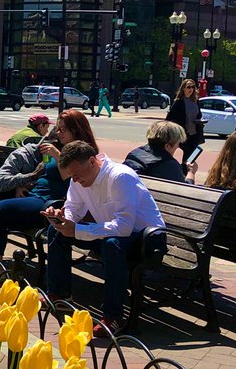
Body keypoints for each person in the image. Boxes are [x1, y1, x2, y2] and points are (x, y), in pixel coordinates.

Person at [43, 140, 165, 337]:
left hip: (147, 239)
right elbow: (74, 208)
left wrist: (77, 230)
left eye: (78, 175)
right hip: (113, 233)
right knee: (57, 232)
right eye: (71, 176)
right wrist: (62, 219)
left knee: (112, 244)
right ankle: (59, 293)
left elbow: (124, 227)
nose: (75, 180)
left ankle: (114, 316)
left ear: (92, 161)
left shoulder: (119, 177)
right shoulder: (79, 178)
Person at [0, 110, 99, 256]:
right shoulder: (59, 145)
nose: (58, 132)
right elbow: (42, 174)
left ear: (76, 129)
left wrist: (57, 156)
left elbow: (71, 183)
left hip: (50, 202)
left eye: (62, 129)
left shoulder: (83, 153)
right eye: (57, 128)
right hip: (35, 193)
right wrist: (23, 185)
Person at [123, 120, 195, 184]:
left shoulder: (135, 153)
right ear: (167, 146)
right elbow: (185, 191)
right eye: (178, 143)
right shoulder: (168, 164)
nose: (178, 146)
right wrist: (191, 173)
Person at [167, 79, 204, 167]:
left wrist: (200, 121)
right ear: (183, 88)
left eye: (193, 87)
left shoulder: (196, 100)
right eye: (188, 87)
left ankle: (185, 169)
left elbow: (199, 115)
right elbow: (169, 118)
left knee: (194, 153)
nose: (191, 89)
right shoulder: (179, 102)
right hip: (183, 133)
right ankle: (184, 170)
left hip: (195, 132)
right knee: (188, 152)